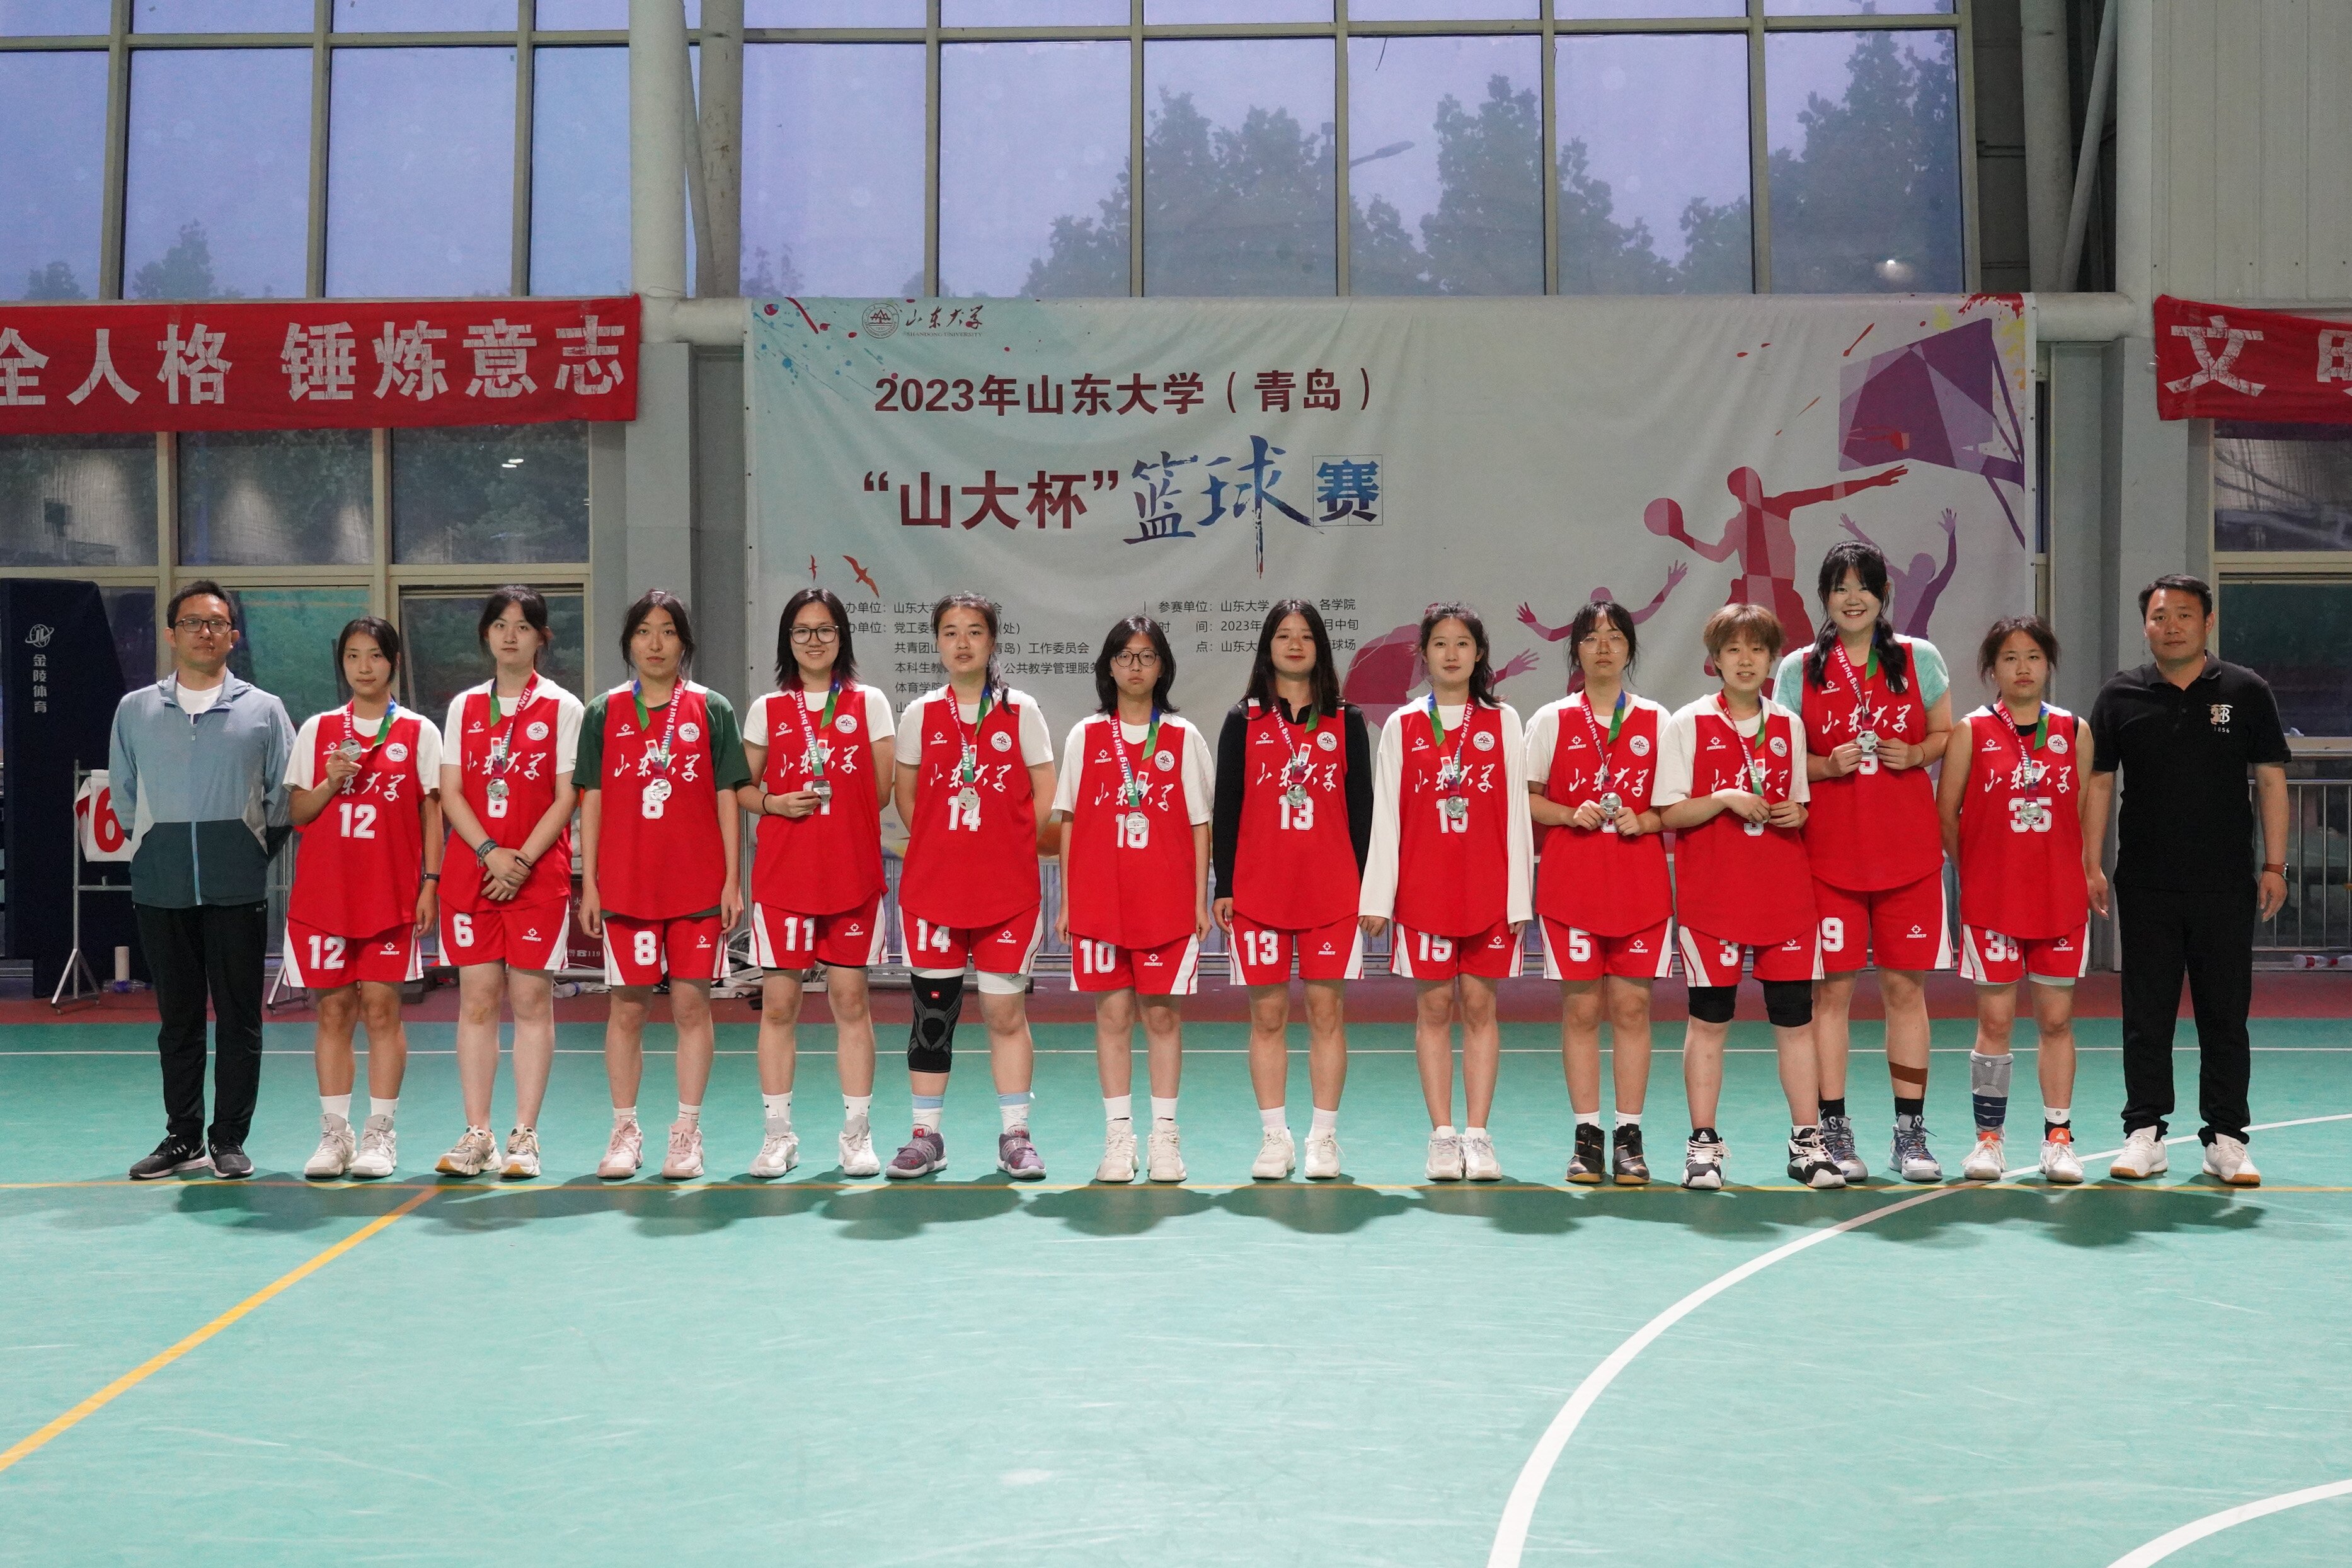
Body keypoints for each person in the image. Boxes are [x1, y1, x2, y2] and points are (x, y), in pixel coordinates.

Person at [2085, 575, 2289, 1187]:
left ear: (2207, 621)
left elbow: (2271, 778)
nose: (2169, 625)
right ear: (2144, 625)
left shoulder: (2245, 690)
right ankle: (2144, 1132)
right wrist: (2089, 864)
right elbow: (2099, 781)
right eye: (2158, 615)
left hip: (2225, 884)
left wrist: (2274, 866)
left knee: (2224, 1016)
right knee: (2145, 1015)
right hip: (2144, 882)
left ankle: (2226, 1138)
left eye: (2182, 614)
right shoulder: (2119, 695)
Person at [1774, 539, 1954, 1184]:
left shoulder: (1918, 657)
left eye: (1864, 587)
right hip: (1827, 858)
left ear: (1884, 594)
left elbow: (1944, 733)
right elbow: (1779, 753)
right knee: (1832, 994)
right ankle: (1833, 1128)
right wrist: (1825, 766)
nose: (1852, 599)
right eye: (1840, 587)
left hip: (1908, 855)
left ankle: (1910, 1133)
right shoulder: (1798, 668)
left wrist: (1918, 753)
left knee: (1905, 991)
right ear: (1824, 597)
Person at [111, 581, 295, 1181]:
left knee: (240, 1019)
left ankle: (229, 1138)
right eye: (192, 622)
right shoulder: (135, 709)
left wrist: (246, 851)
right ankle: (182, 1136)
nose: (205, 632)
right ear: (172, 634)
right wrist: (153, 847)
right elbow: (123, 793)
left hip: (236, 886)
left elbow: (283, 795)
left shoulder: (263, 709)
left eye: (216, 623)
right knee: (178, 1020)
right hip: (160, 886)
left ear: (232, 636)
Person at [1655, 605, 1843, 1191]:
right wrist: (1725, 798)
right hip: (1713, 899)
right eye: (1733, 649)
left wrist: (1794, 813)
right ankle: (1702, 1147)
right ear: (1714, 659)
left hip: (1783, 897)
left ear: (1770, 660)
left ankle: (1806, 1143)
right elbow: (1669, 811)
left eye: (1756, 650)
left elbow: (1800, 803)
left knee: (1796, 1022)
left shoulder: (1787, 724)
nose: (1744, 660)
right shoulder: (1686, 722)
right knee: (1709, 1020)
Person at [578, 590, 751, 1181]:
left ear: (684, 642)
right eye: (644, 631)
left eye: (668, 631)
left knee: (690, 1006)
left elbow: (728, 797)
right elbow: (592, 798)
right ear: (629, 642)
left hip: (697, 884)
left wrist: (732, 880)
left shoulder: (712, 707)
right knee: (627, 1008)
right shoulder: (603, 711)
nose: (655, 643)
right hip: (626, 883)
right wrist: (591, 882)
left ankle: (687, 1132)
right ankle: (624, 1130)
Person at [1359, 604, 1532, 1184]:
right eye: (1439, 643)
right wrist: (1378, 897)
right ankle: (1441, 1135)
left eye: (1462, 643)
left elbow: (1516, 813)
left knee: (1481, 1008)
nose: (1451, 654)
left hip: (1488, 890)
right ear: (1424, 654)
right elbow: (1387, 814)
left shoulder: (1503, 721)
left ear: (1479, 654)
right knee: (1433, 1009)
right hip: (1423, 892)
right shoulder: (1403, 725)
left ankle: (1478, 1135)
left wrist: (1518, 897)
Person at [889, 593, 1057, 1180]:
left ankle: (1015, 1135)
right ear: (937, 642)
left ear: (992, 641)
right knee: (932, 1013)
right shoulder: (919, 714)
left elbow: (1045, 788)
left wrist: (1009, 845)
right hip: (933, 890)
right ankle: (926, 1136)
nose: (962, 643)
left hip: (1006, 892)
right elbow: (907, 795)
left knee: (1005, 1014)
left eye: (974, 631)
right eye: (950, 632)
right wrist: (940, 844)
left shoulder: (1021, 710)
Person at [1937, 615, 2106, 1185]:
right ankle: (1988, 1140)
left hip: (2058, 898)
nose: (2022, 667)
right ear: (1992, 668)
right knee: (1995, 1020)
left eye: (2032, 656)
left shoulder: (2073, 730)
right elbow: (1947, 812)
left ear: (2048, 664)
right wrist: (1978, 869)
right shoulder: (1971, 730)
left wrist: (2085, 868)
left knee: (2056, 1020)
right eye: (2009, 658)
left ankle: (2058, 1139)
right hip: (1993, 901)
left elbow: (2080, 811)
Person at [1212, 600, 1372, 1182]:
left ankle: (1323, 1138)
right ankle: (1274, 1138)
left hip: (1332, 893)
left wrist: (1366, 888)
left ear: (1320, 648)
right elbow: (1226, 806)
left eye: (1306, 635)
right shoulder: (1243, 719)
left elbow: (1362, 811)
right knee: (1268, 1016)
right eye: (1284, 635)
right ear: (1268, 647)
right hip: (1259, 893)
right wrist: (1225, 883)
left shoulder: (1346, 720)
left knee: (1327, 1014)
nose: (1295, 644)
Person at [738, 588, 895, 1179]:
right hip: (784, 878)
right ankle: (778, 1135)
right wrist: (774, 802)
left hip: (851, 878)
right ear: (788, 640)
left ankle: (856, 1133)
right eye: (802, 630)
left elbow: (881, 792)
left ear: (841, 637)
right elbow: (742, 788)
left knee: (851, 1003)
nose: (814, 640)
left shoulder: (869, 702)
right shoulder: (767, 708)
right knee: (779, 1006)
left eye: (825, 629)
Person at [1054, 616, 1215, 1183]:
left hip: (1165, 902)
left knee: (1163, 1016)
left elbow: (1199, 823)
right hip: (1101, 900)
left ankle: (1164, 1137)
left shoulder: (1183, 736)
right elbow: (1069, 819)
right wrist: (1068, 900)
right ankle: (1118, 1137)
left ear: (1162, 666)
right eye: (1124, 656)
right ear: (1109, 666)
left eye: (1147, 656)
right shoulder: (1085, 735)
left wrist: (1198, 900)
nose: (1135, 666)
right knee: (1113, 1016)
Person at [433, 586, 584, 1180]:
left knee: (530, 1003)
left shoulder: (563, 707)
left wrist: (519, 861)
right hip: (473, 873)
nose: (510, 635)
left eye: (523, 626)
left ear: (542, 637)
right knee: (475, 1001)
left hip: (536, 878)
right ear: (486, 634)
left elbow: (566, 795)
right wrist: (489, 853)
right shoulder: (464, 706)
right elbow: (452, 791)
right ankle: (478, 1133)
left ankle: (525, 1134)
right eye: (500, 625)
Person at [287, 618, 443, 1181]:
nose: (363, 666)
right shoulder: (318, 729)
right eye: (352, 656)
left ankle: (380, 1132)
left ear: (393, 661)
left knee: (381, 1009)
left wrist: (430, 882)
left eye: (374, 655)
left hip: (389, 896)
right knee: (333, 1010)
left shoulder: (420, 731)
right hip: (325, 896)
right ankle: (335, 1134)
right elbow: (298, 813)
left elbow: (432, 812)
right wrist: (329, 781)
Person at [1524, 600, 1673, 1185]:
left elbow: (1676, 803)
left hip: (1638, 887)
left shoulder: (1657, 720)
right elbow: (1525, 799)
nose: (1603, 646)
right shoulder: (1551, 719)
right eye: (1590, 637)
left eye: (1614, 636)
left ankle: (1629, 1136)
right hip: (1572, 888)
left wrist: (1648, 820)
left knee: (1632, 1009)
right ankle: (1586, 1137)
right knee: (1582, 1010)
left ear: (1630, 648)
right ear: (1576, 651)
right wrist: (1568, 812)